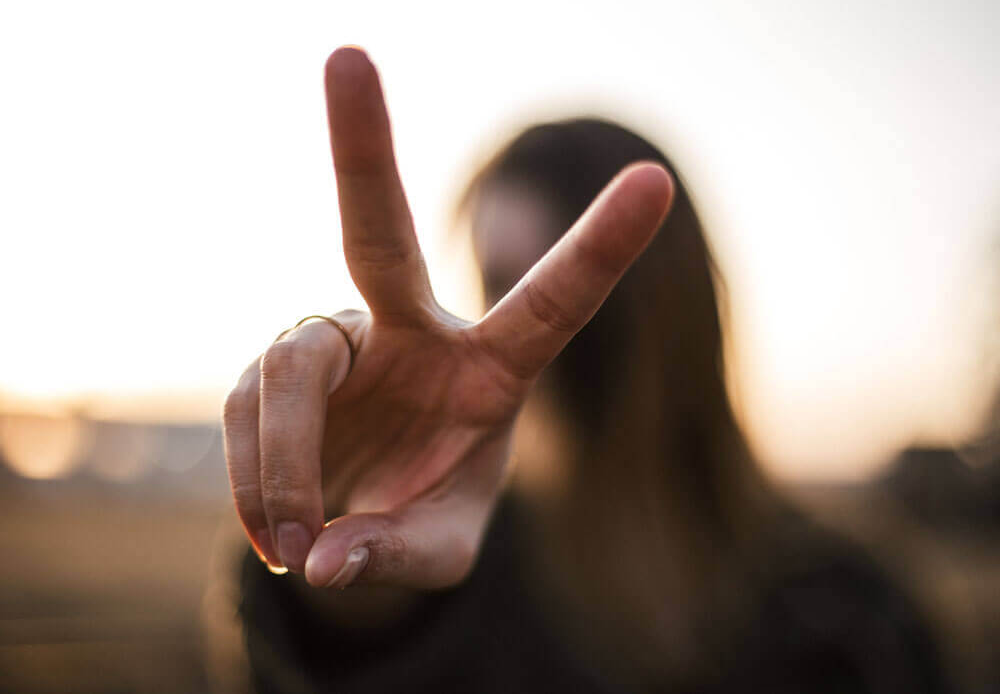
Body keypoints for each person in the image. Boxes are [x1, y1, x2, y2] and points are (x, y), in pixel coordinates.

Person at [222, 46, 946, 693]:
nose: (518, 334)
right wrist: (347, 561)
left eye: (570, 286)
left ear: (669, 306)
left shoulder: (851, 619)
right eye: (494, 287)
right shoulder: (458, 585)